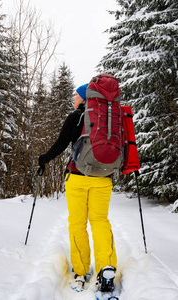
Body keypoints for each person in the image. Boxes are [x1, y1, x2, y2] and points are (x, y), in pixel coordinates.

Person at [38, 83, 117, 292]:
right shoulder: (111, 117)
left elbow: (61, 143)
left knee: (77, 224)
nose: (74, 99)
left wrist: (44, 159)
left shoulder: (76, 117)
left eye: (76, 95)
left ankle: (81, 271)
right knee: (100, 222)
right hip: (104, 178)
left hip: (77, 177)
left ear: (84, 98)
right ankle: (105, 268)